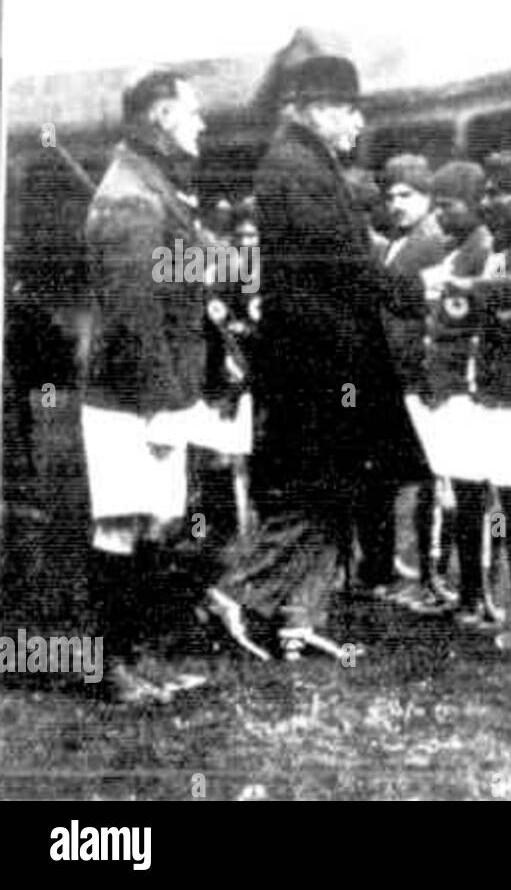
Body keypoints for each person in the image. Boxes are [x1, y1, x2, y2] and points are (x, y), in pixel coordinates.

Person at [205, 54, 427, 660]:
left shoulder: (303, 160)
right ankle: (241, 590)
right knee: (321, 482)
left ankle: (300, 617)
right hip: (322, 357)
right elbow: (337, 259)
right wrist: (407, 290)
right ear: (317, 108)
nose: (356, 122)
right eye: (348, 109)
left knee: (340, 481)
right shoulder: (296, 164)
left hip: (327, 352)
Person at [80, 70, 215, 701]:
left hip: (157, 389)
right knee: (122, 524)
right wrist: (161, 401)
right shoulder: (132, 194)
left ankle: (137, 657)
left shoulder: (155, 185)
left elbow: (178, 281)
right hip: (129, 396)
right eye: (193, 112)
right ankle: (112, 668)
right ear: (162, 115)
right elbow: (133, 310)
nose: (203, 123)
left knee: (156, 522)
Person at [437, 151, 511, 644]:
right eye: (484, 193)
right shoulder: (502, 249)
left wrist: (467, 286)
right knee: (507, 502)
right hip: (494, 393)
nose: (487, 203)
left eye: (497, 193)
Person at [403, 160, 498, 627]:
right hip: (442, 388)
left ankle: (478, 591)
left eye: (449, 206)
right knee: (452, 490)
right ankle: (459, 587)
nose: (439, 215)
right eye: (436, 206)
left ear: (476, 204)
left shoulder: (483, 251)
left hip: (466, 388)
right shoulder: (454, 249)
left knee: (474, 493)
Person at [375, 154, 453, 611]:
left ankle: (434, 574)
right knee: (404, 476)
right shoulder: (393, 243)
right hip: (395, 376)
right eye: (391, 196)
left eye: (407, 194)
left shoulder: (434, 242)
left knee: (434, 476)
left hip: (420, 374)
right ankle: (410, 569)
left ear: (426, 197)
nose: (397, 203)